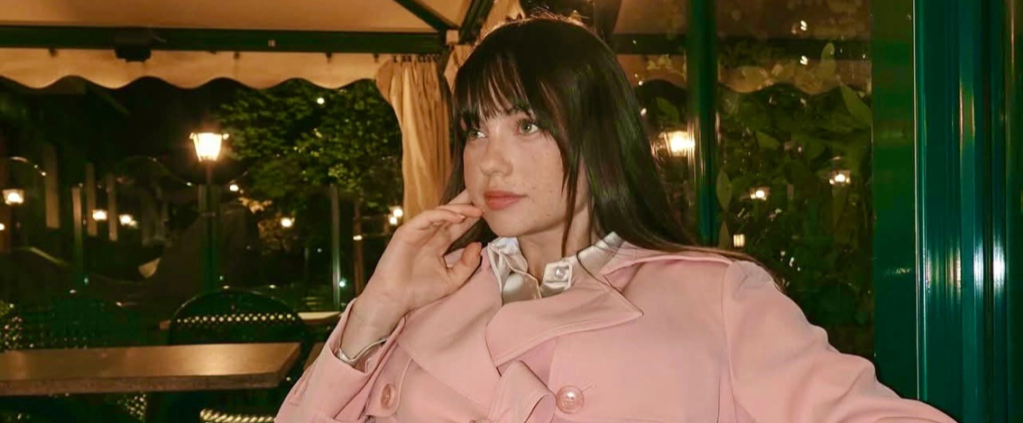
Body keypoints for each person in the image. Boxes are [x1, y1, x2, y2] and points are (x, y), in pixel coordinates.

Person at [277, 16, 956, 423]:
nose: (490, 160)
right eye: (475, 128)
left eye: (527, 124)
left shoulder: (715, 295)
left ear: (600, 136)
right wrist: (377, 307)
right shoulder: (428, 300)